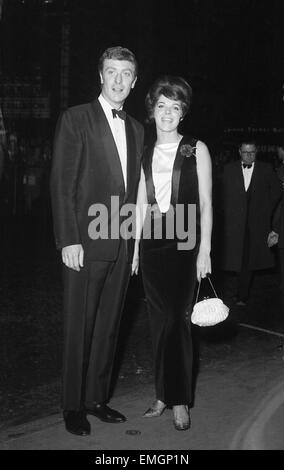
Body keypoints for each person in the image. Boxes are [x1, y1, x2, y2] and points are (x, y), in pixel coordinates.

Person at [50, 46, 144, 436]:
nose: (119, 80)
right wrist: (68, 240)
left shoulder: (138, 128)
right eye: (112, 72)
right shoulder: (76, 119)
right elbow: (62, 184)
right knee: (80, 326)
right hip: (85, 243)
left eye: (126, 73)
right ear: (100, 76)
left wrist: (135, 245)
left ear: (134, 81)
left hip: (122, 243)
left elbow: (135, 192)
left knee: (109, 325)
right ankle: (73, 405)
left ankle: (97, 398)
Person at [132, 75, 212, 431]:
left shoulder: (196, 148)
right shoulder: (146, 152)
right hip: (152, 246)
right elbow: (138, 203)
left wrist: (205, 250)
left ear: (183, 113)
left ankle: (179, 400)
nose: (167, 113)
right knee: (159, 323)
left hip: (185, 246)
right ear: (153, 110)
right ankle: (163, 393)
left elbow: (208, 204)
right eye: (161, 105)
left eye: (174, 107)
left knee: (179, 323)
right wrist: (134, 248)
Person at [222, 139, 282, 306]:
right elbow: (222, 194)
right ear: (239, 152)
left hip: (256, 224)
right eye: (245, 152)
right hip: (234, 225)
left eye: (252, 152)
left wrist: (265, 209)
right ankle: (240, 293)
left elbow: (277, 190)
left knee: (248, 260)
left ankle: (242, 295)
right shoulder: (229, 169)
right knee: (236, 259)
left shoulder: (266, 169)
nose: (249, 155)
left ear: (257, 152)